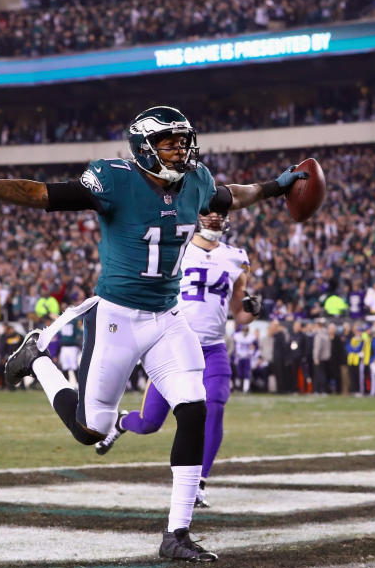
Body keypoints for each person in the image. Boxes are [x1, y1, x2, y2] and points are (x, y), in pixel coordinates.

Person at [0, 105, 307, 562]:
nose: (181, 149)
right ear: (145, 147)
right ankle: (38, 360)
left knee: (194, 408)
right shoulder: (115, 179)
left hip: (167, 318)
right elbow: (42, 193)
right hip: (117, 318)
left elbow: (232, 196)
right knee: (90, 431)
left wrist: (276, 187)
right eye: (170, 142)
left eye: (184, 140)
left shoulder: (196, 181)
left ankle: (176, 534)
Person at [92, 211, 261, 509]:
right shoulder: (178, 248)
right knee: (148, 423)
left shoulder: (236, 257)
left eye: (219, 214)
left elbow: (240, 313)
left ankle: (198, 483)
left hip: (213, 349)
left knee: (214, 408)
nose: (213, 219)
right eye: (208, 213)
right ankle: (121, 422)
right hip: (175, 348)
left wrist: (252, 309)